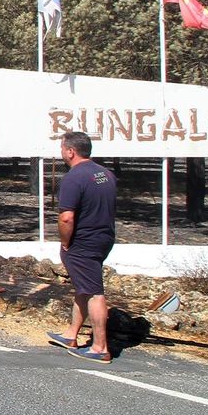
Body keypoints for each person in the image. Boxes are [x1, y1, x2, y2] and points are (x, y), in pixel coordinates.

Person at [47, 131, 118, 363]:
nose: (61, 153)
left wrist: (66, 243)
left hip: (83, 243)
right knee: (84, 287)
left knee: (95, 293)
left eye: (62, 149)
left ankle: (100, 348)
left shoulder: (73, 178)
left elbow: (66, 218)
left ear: (70, 151)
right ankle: (71, 335)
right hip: (104, 238)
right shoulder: (105, 174)